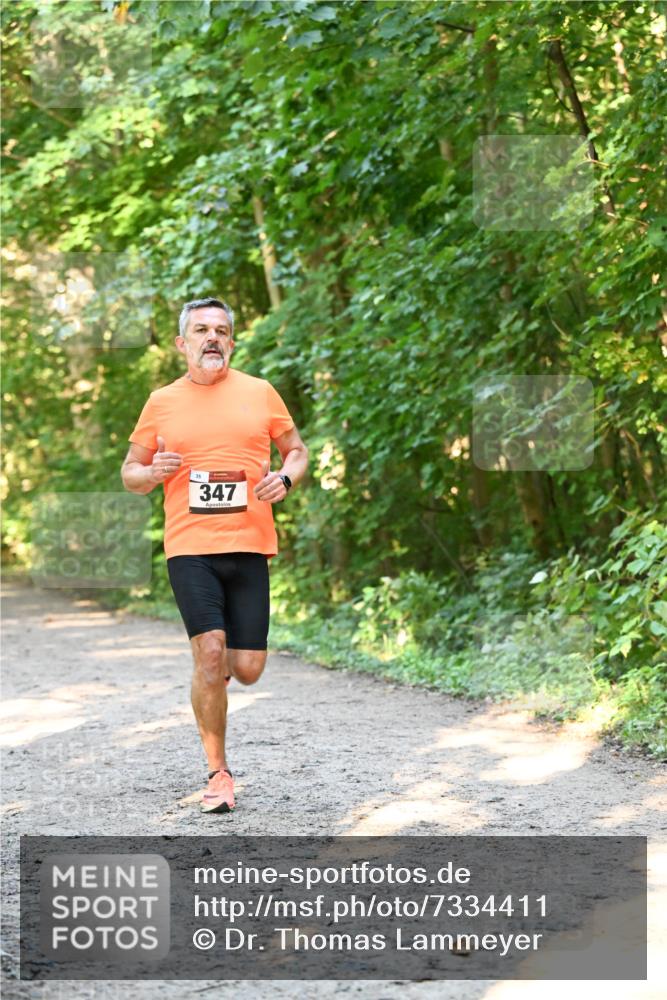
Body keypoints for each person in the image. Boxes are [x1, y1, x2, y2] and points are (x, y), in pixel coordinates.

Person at [121, 297, 308, 813]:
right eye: (202, 330)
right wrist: (152, 473)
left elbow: (297, 451)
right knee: (208, 653)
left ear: (232, 342)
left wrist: (285, 478)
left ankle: (218, 676)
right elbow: (130, 472)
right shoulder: (161, 401)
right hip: (190, 548)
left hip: (249, 545)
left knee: (247, 669)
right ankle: (218, 773)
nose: (212, 338)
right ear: (182, 343)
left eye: (221, 331)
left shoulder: (259, 392)